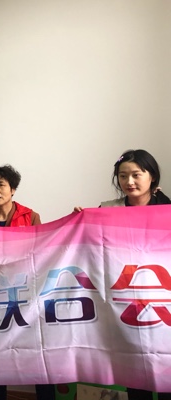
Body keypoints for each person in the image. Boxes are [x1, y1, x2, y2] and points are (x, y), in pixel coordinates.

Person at [75, 150, 171, 400]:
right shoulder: (108, 210)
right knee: (134, 366)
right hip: (125, 299)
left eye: (136, 175)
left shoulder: (167, 210)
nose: (129, 182)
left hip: (161, 297)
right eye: (123, 176)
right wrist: (79, 222)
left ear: (152, 176)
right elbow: (87, 245)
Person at [0, 165, 53, 400]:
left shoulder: (30, 216)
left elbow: (42, 250)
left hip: (27, 291)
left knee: (37, 350)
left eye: (1, 185)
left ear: (13, 189)